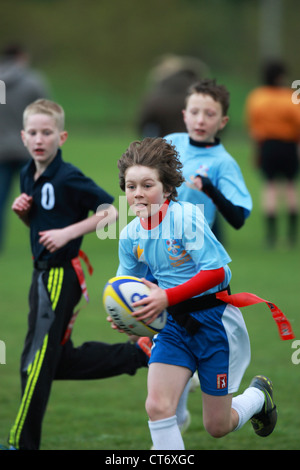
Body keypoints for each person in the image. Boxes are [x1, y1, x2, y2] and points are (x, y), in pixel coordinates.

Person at [112, 137, 277, 450]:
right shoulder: (130, 235)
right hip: (173, 327)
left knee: (217, 426)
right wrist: (123, 317)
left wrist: (166, 297)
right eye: (131, 186)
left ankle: (258, 397)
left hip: (214, 323)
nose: (138, 194)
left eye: (147, 185)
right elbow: (125, 288)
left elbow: (217, 272)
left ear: (168, 188)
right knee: (158, 407)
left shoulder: (184, 218)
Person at [2, 99, 148, 451]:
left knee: (34, 363)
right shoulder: (27, 173)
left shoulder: (68, 176)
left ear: (61, 137)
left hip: (59, 276)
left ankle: (21, 445)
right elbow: (43, 224)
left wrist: (69, 233)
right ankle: (141, 354)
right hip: (41, 278)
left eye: (47, 133)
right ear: (23, 137)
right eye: (33, 133)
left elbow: (111, 211)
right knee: (57, 360)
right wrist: (25, 214)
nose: (40, 139)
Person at [164, 78, 252, 233]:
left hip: (191, 248)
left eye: (210, 114)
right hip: (155, 241)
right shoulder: (169, 143)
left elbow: (238, 219)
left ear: (223, 122)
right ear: (185, 115)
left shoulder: (223, 163)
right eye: (194, 112)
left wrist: (211, 190)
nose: (200, 120)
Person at [0, 44, 50, 252]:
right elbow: (47, 113)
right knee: (38, 199)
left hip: (1, 148)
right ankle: (45, 241)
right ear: (21, 57)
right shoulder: (32, 82)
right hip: (30, 148)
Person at [245, 61, 300, 247]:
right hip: (289, 145)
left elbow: (253, 126)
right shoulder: (290, 97)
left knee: (269, 188)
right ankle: (292, 236)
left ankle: (271, 236)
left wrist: (256, 151)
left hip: (266, 145)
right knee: (291, 187)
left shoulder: (257, 97)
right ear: (280, 76)